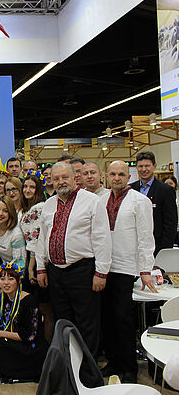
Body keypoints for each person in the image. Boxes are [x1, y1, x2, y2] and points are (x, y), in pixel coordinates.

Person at [36, 162, 112, 356]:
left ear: (74, 178)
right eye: (56, 179)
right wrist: (41, 268)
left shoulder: (91, 201)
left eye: (65, 177)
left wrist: (101, 273)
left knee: (87, 322)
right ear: (51, 181)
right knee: (63, 320)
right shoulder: (49, 204)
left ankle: (88, 371)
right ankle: (69, 364)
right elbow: (43, 238)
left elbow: (102, 238)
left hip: (83, 271)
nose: (61, 182)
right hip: (55, 272)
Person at [99, 161, 156, 383]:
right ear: (107, 176)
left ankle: (129, 367)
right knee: (107, 319)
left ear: (128, 175)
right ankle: (113, 361)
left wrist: (145, 269)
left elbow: (145, 237)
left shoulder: (139, 201)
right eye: (113, 174)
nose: (117, 178)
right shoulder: (101, 199)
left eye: (121, 174)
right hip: (104, 267)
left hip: (125, 267)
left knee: (123, 319)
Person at [0, 261, 48, 382]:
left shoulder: (29, 301)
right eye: (3, 279)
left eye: (10, 279)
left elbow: (30, 336)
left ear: (19, 281)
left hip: (30, 347)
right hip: (12, 337)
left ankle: (18, 371)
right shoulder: (4, 297)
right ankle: (9, 368)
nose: (6, 283)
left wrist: (1, 333)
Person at [19, 172, 53, 342]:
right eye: (25, 186)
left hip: (39, 263)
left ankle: (47, 348)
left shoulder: (39, 208)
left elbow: (36, 241)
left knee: (45, 310)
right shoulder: (27, 209)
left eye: (32, 186)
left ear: (39, 189)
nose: (28, 189)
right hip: (31, 259)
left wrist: (32, 268)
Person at [129, 151, 178, 255]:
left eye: (147, 166)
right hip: (134, 246)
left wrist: (164, 250)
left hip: (158, 246)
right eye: (140, 166)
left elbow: (170, 223)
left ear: (154, 166)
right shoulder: (130, 189)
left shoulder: (166, 190)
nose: (143, 169)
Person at [164, 176, 179, 244]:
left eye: (171, 183)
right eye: (166, 183)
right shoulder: (162, 197)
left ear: (175, 185)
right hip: (168, 231)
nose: (168, 186)